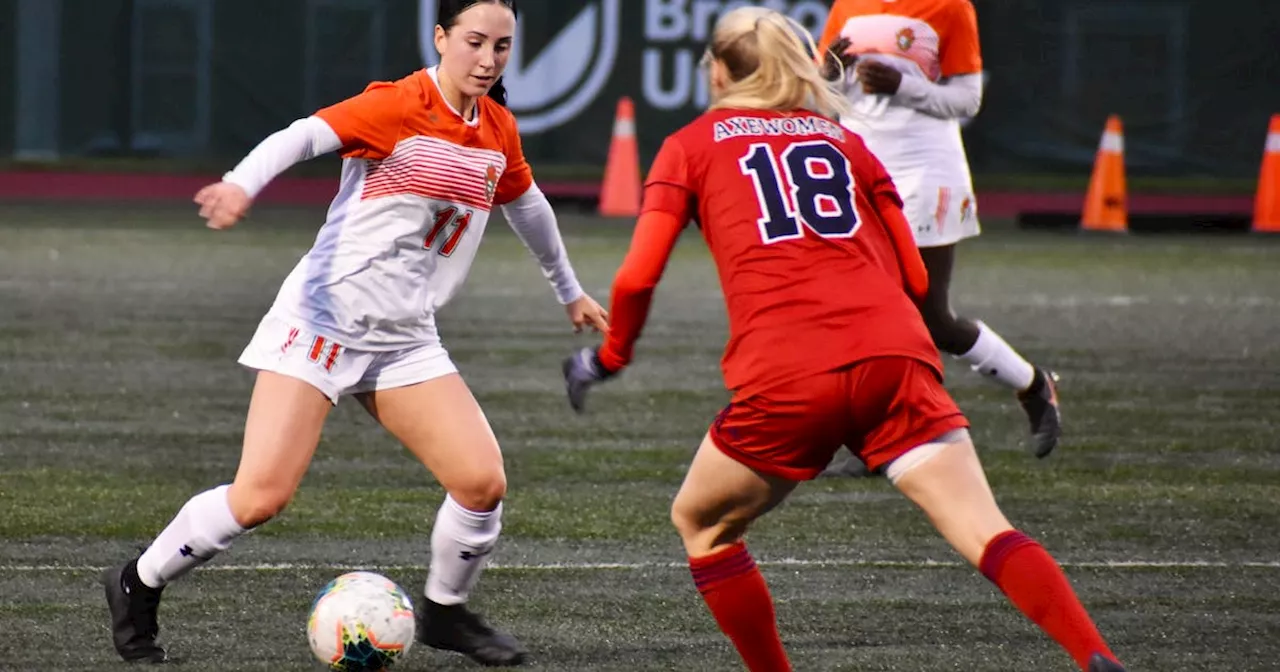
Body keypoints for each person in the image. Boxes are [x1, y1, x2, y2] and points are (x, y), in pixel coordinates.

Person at [561, 7, 1124, 672]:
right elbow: (915, 275)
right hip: (895, 354)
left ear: (716, 70)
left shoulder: (690, 145)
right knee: (985, 531)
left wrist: (610, 357)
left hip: (790, 371)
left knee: (703, 525)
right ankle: (1094, 655)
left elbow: (635, 278)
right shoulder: (847, 142)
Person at [101, 0, 605, 666]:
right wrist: (239, 183)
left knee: (482, 484)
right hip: (320, 325)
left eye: (503, 48)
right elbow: (302, 136)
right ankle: (137, 582)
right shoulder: (397, 106)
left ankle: (446, 614)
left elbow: (529, 205)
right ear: (441, 37)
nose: (488, 60)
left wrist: (569, 291)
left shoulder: (497, 130)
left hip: (404, 338)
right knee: (259, 499)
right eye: (475, 42)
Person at [815, 0, 1060, 477]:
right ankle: (877, 438)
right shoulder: (848, 5)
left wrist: (903, 86)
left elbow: (967, 101)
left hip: (925, 171)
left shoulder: (950, 7)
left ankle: (1033, 385)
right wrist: (828, 73)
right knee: (861, 311)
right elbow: (826, 91)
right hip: (860, 167)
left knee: (931, 319)